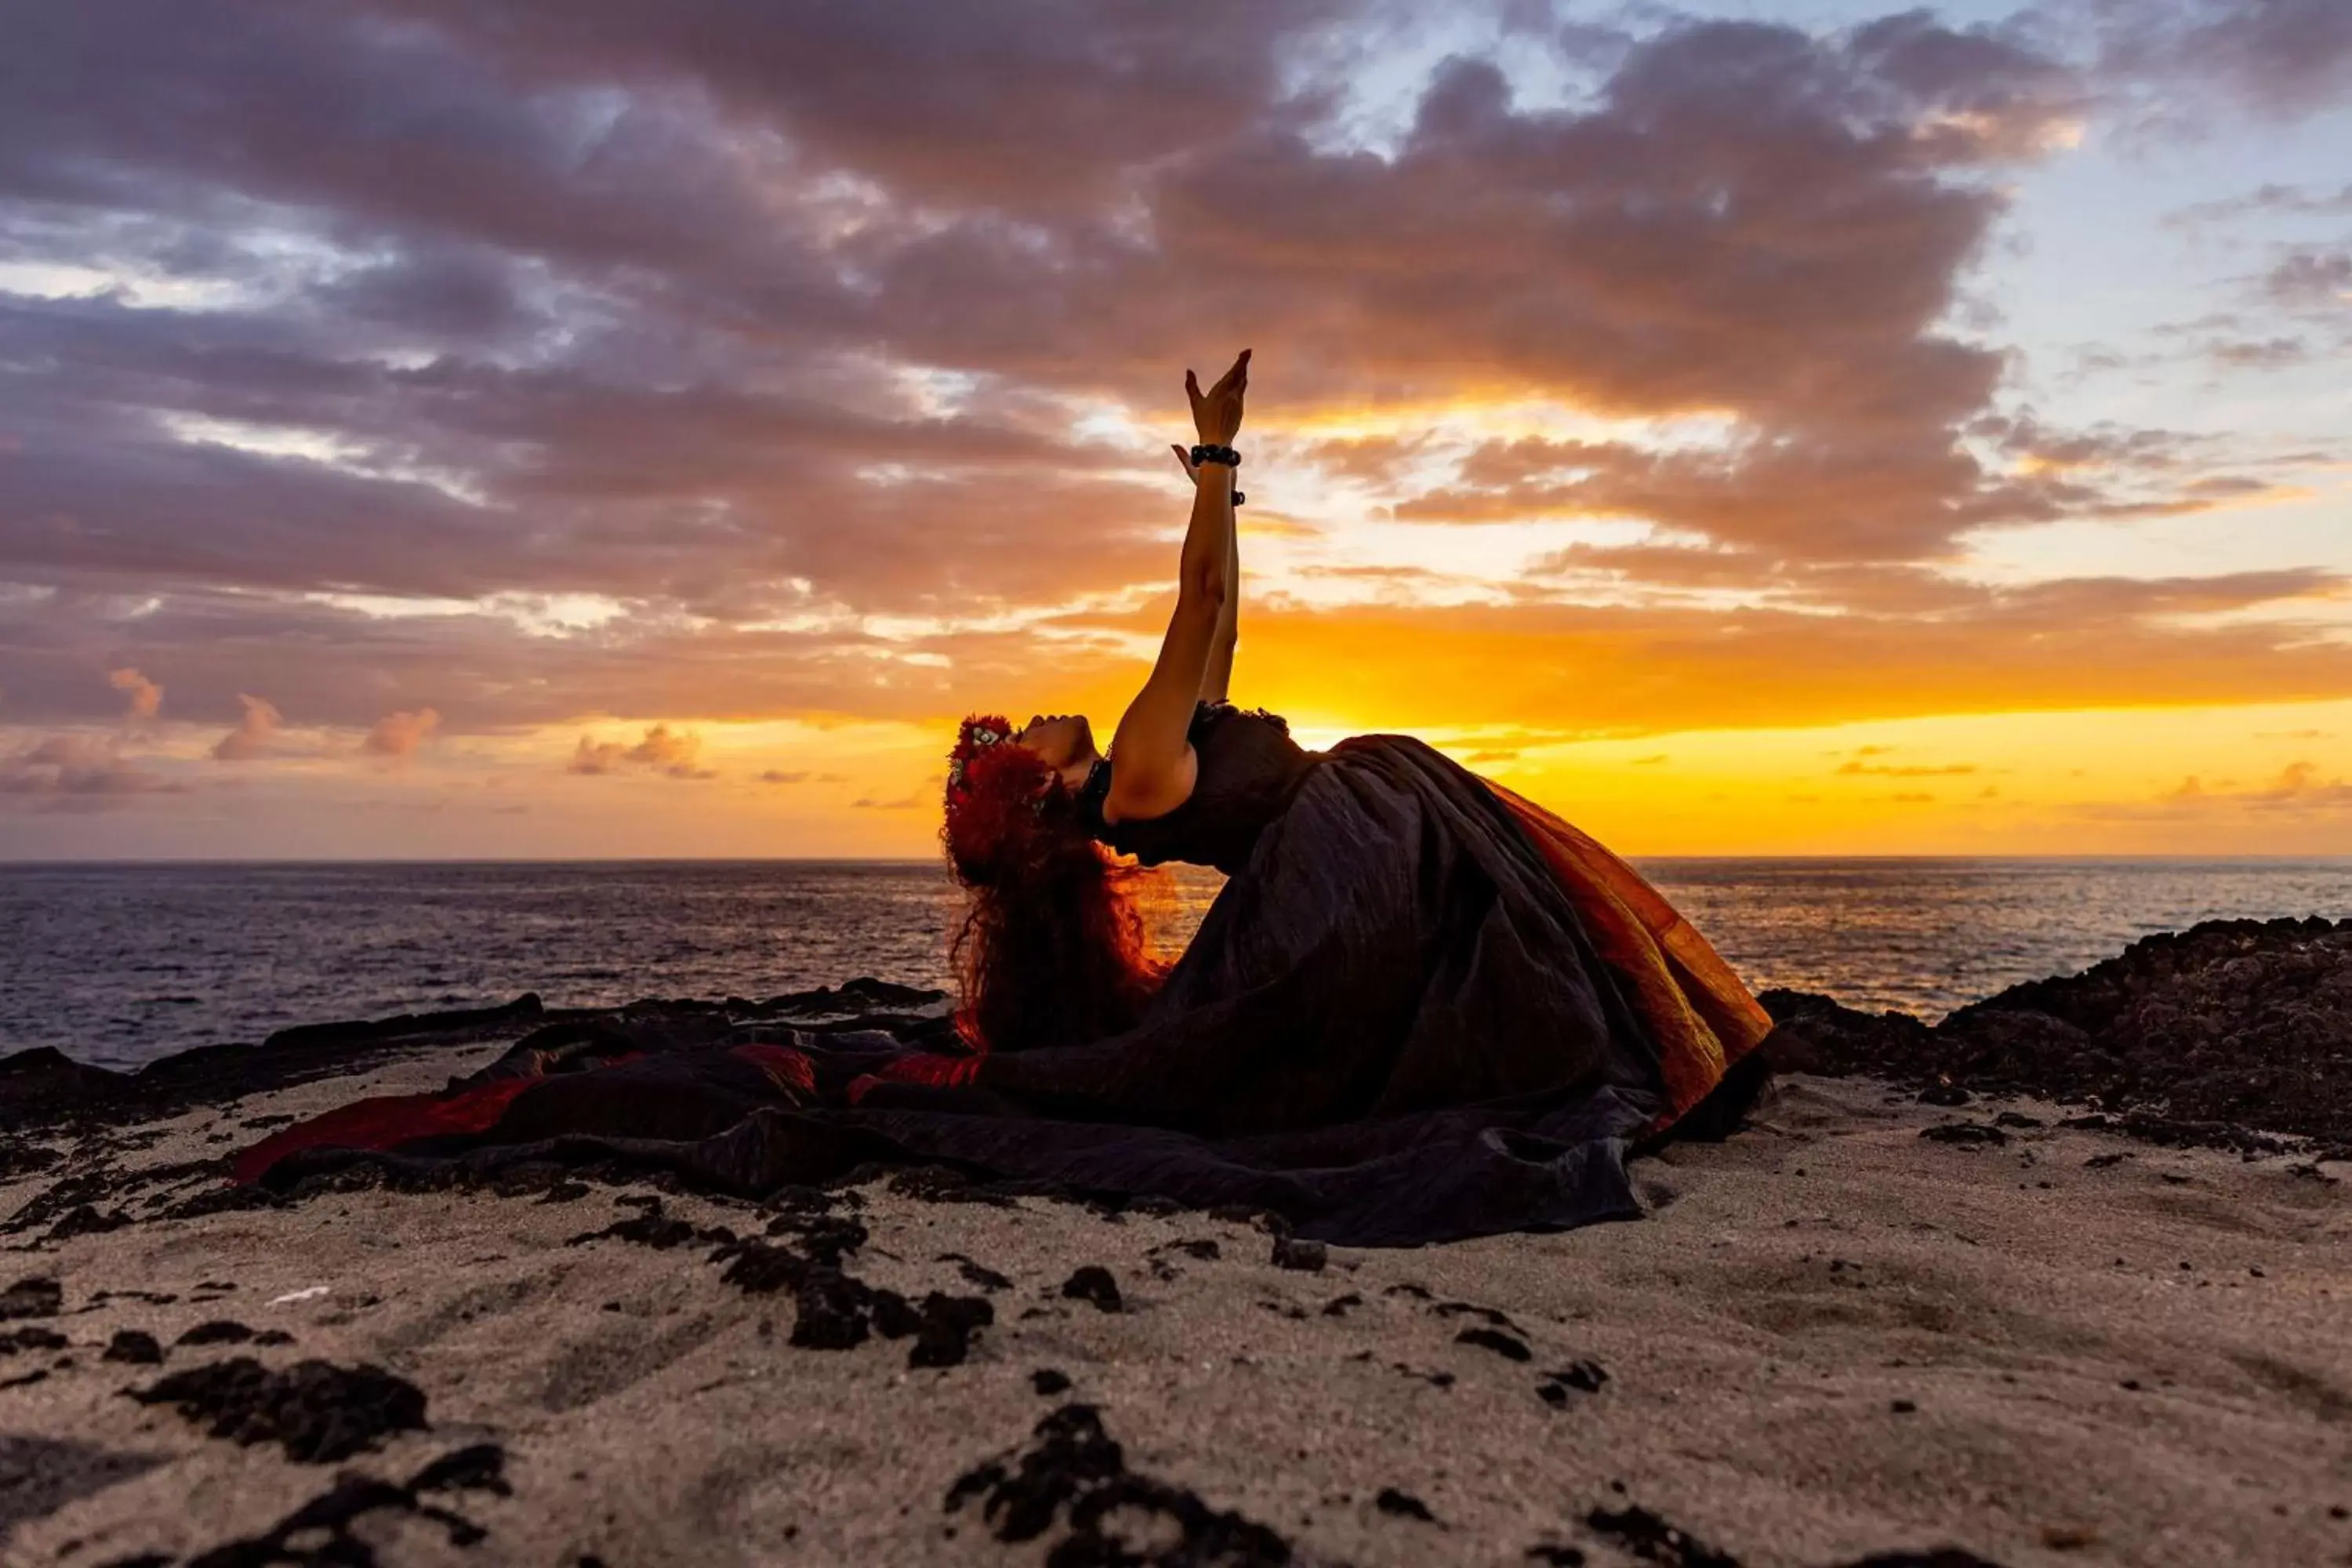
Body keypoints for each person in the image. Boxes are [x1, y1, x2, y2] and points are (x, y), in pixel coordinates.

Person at [238, 351, 1774, 1246]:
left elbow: (1220, 621)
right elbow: (1192, 612)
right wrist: (1214, 459)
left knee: (1484, 928)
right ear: (1058, 783)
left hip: (1350, 843)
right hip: (1349, 851)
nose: (1030, 704)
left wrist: (1224, 467)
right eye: (1017, 735)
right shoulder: (1149, 758)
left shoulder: (1166, 750)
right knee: (1494, 942)